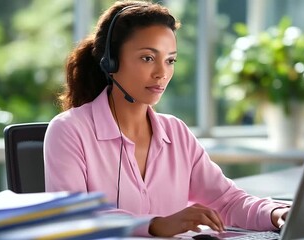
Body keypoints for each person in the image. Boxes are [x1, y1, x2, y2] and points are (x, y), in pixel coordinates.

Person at [44, 0, 289, 237]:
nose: (162, 73)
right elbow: (74, 217)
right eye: (148, 58)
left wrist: (277, 214)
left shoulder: (176, 132)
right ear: (111, 62)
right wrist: (156, 225)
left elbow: (227, 201)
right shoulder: (69, 130)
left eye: (170, 60)